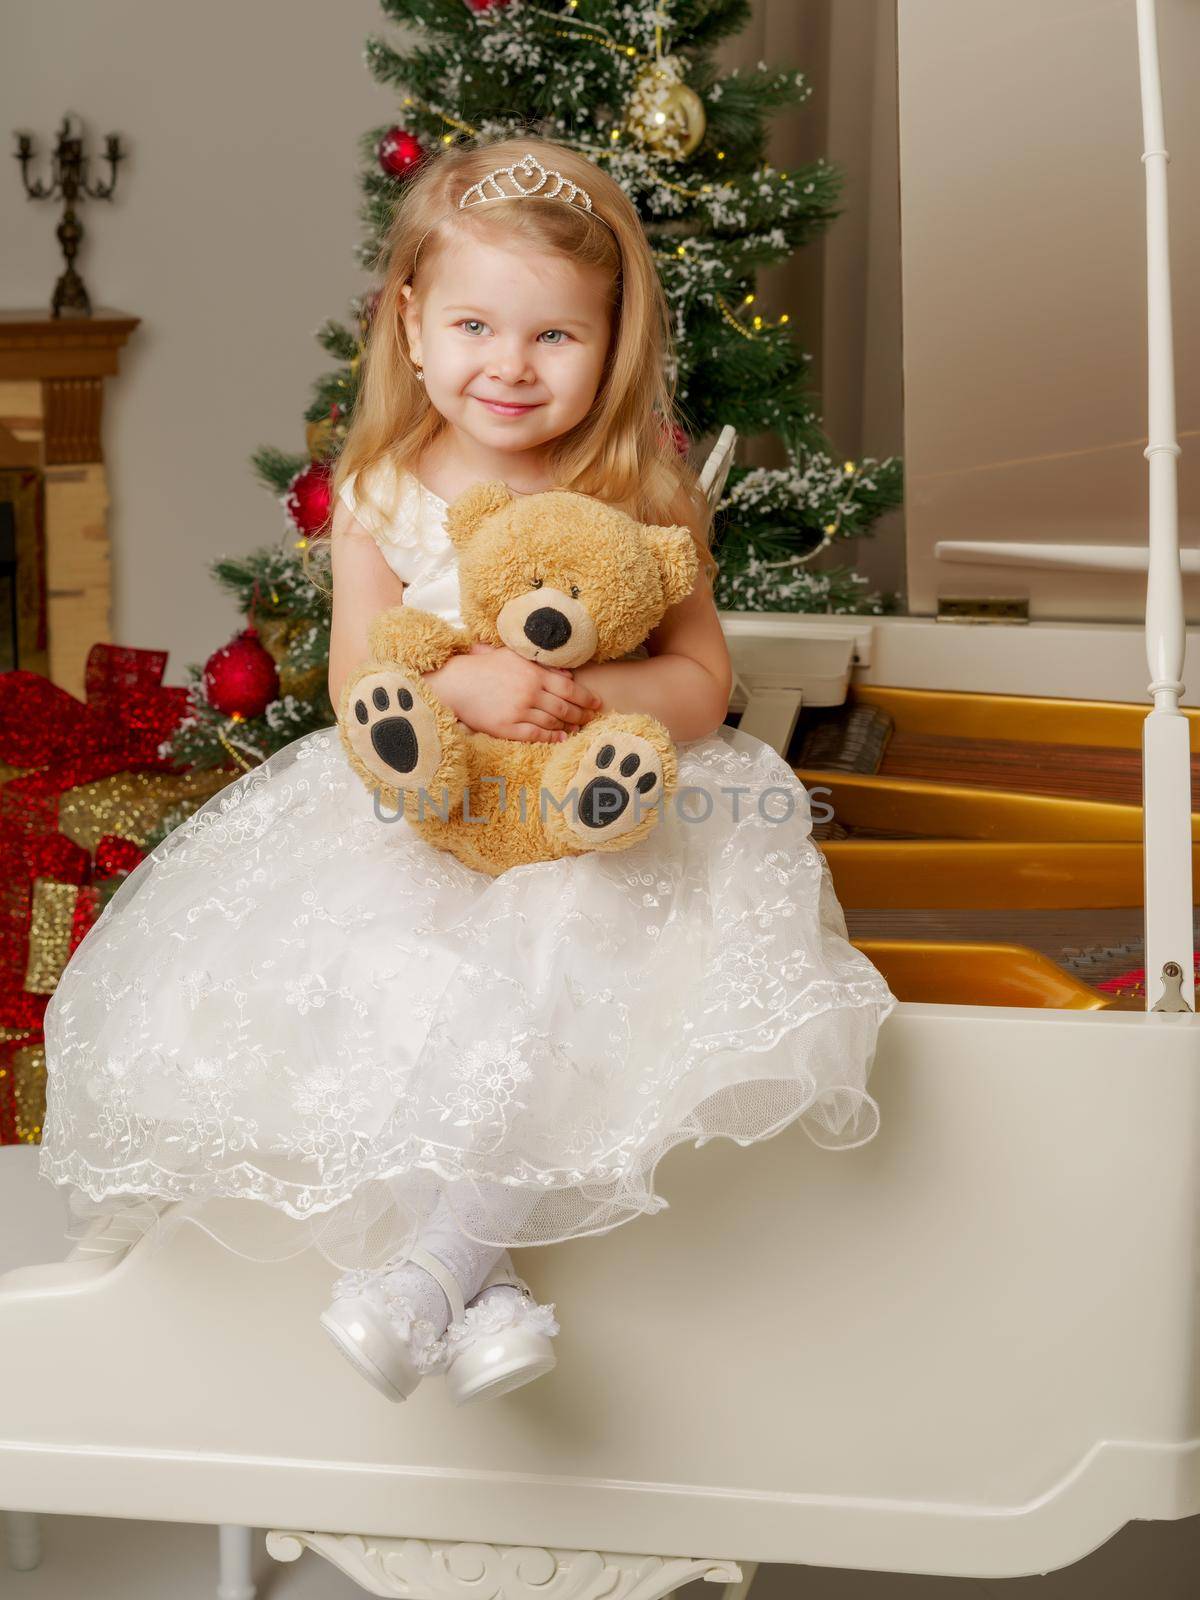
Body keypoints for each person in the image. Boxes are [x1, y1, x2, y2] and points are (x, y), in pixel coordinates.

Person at [38, 137, 898, 1408]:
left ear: (613, 339)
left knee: (559, 969)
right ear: (411, 322)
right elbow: (349, 689)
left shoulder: (641, 487)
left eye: (557, 335)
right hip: (427, 807)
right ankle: (478, 1287)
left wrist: (585, 694)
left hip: (599, 810)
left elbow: (703, 680)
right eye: (476, 324)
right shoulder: (380, 490)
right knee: (396, 988)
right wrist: (459, 687)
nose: (509, 363)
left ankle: (435, 1270)